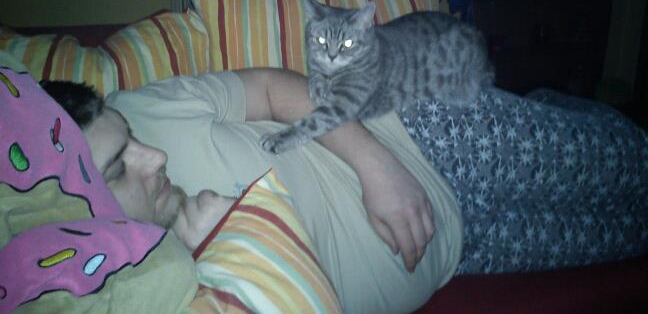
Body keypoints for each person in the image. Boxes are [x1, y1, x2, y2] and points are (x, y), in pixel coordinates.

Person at [43, 68, 463, 314]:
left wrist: (377, 165)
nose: (155, 157)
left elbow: (269, 87)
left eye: (131, 134)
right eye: (118, 169)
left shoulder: (147, 106)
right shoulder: (143, 291)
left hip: (422, 136)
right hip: (457, 256)